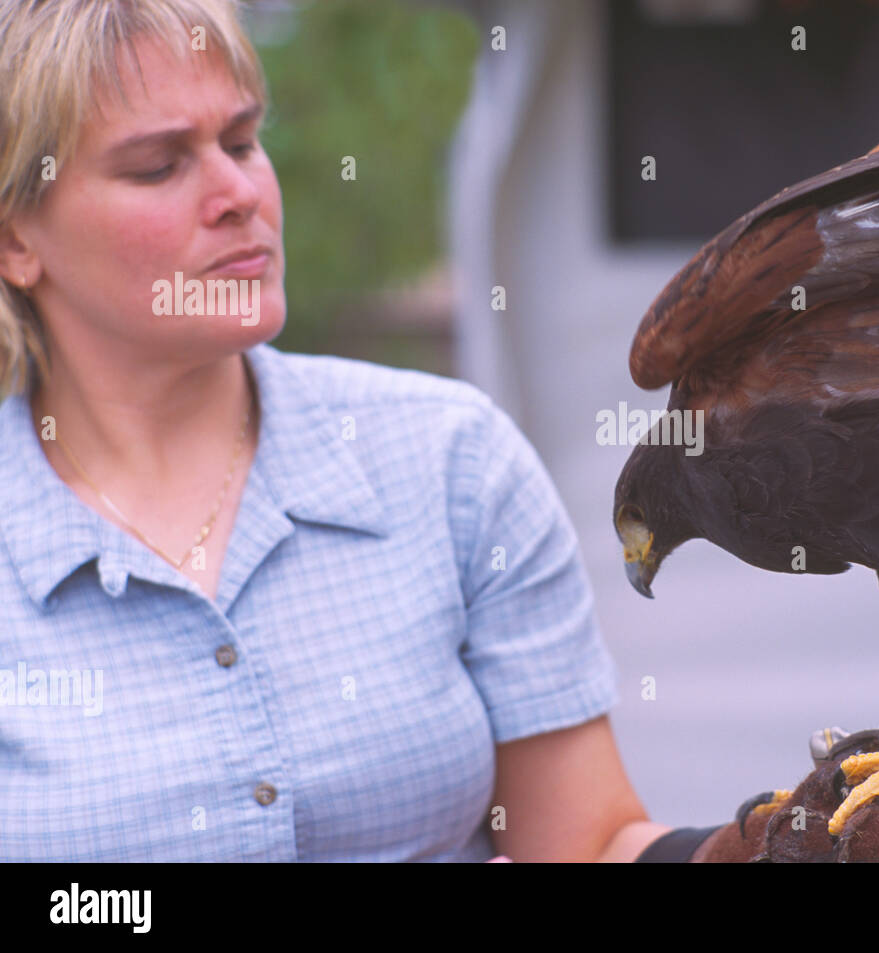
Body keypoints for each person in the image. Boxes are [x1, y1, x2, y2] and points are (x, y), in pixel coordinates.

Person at [0, 0, 676, 862]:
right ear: (17, 237)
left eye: (242, 143)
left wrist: (758, 845)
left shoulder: (450, 460)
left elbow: (588, 841)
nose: (238, 194)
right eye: (160, 166)